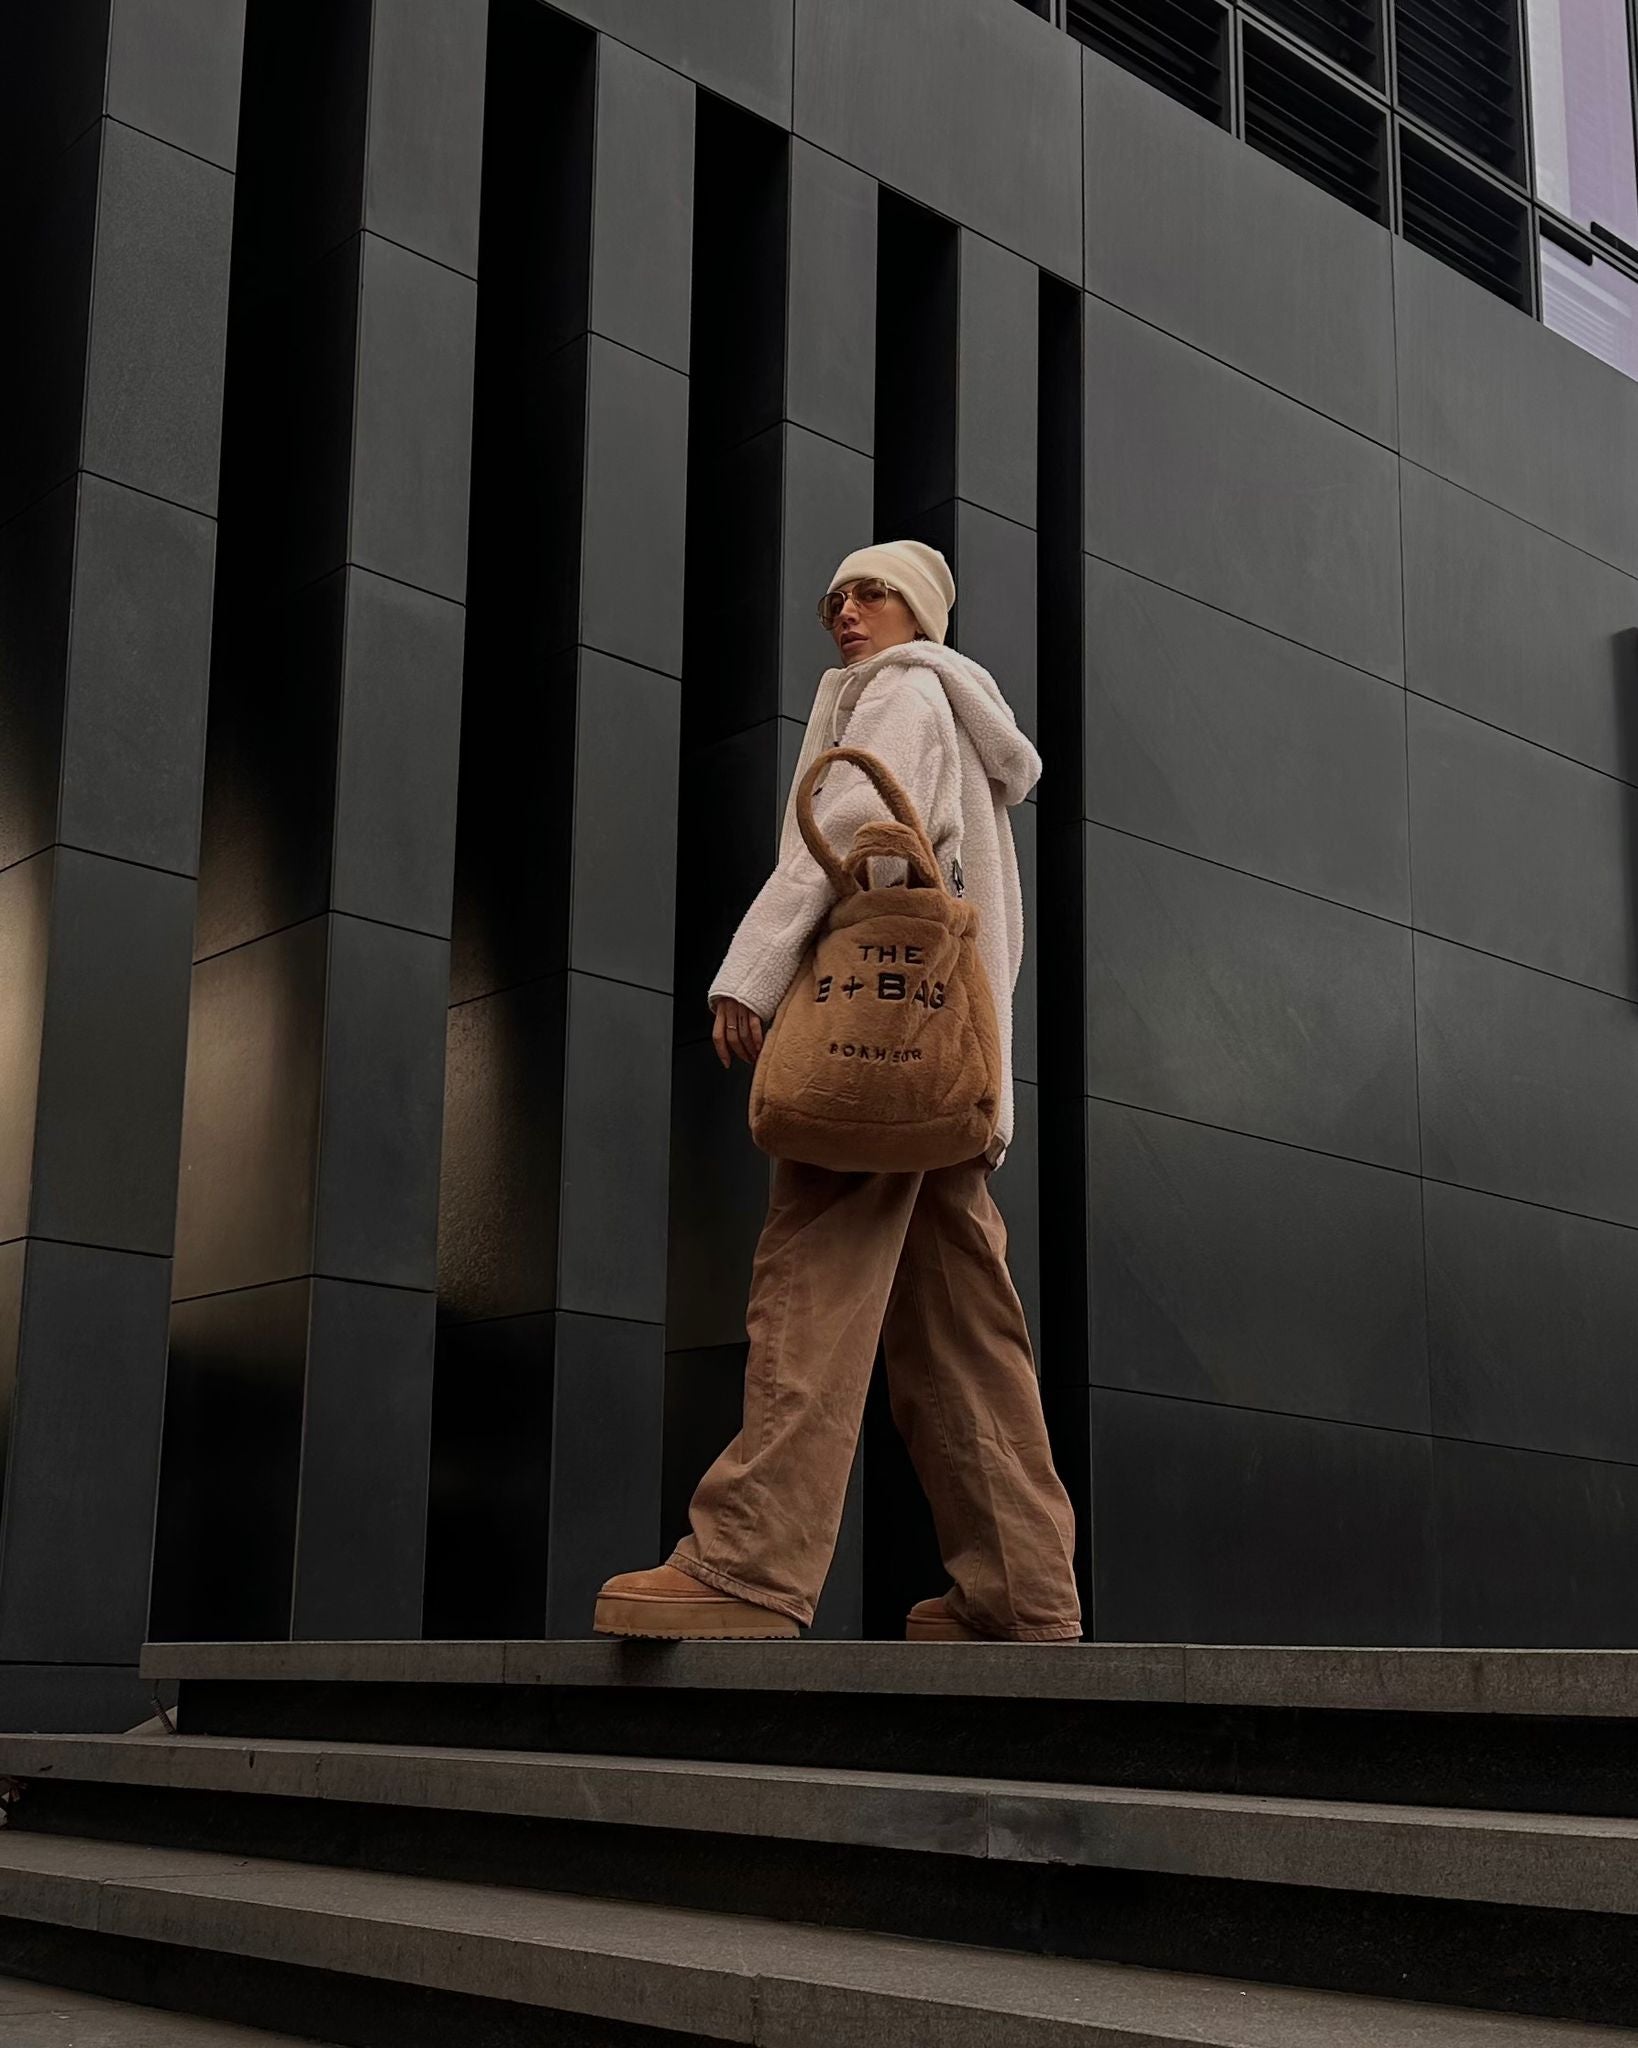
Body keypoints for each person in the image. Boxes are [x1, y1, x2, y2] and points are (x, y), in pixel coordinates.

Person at [595, 541, 1081, 1644]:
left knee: (807, 1288)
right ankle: (1023, 1593)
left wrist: (754, 969)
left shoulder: (905, 693)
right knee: (965, 1335)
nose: (845, 614)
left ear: (920, 609)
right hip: (939, 1067)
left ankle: (748, 1566)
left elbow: (855, 824)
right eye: (836, 600)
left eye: (870, 593)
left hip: (874, 1056)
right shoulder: (960, 715)